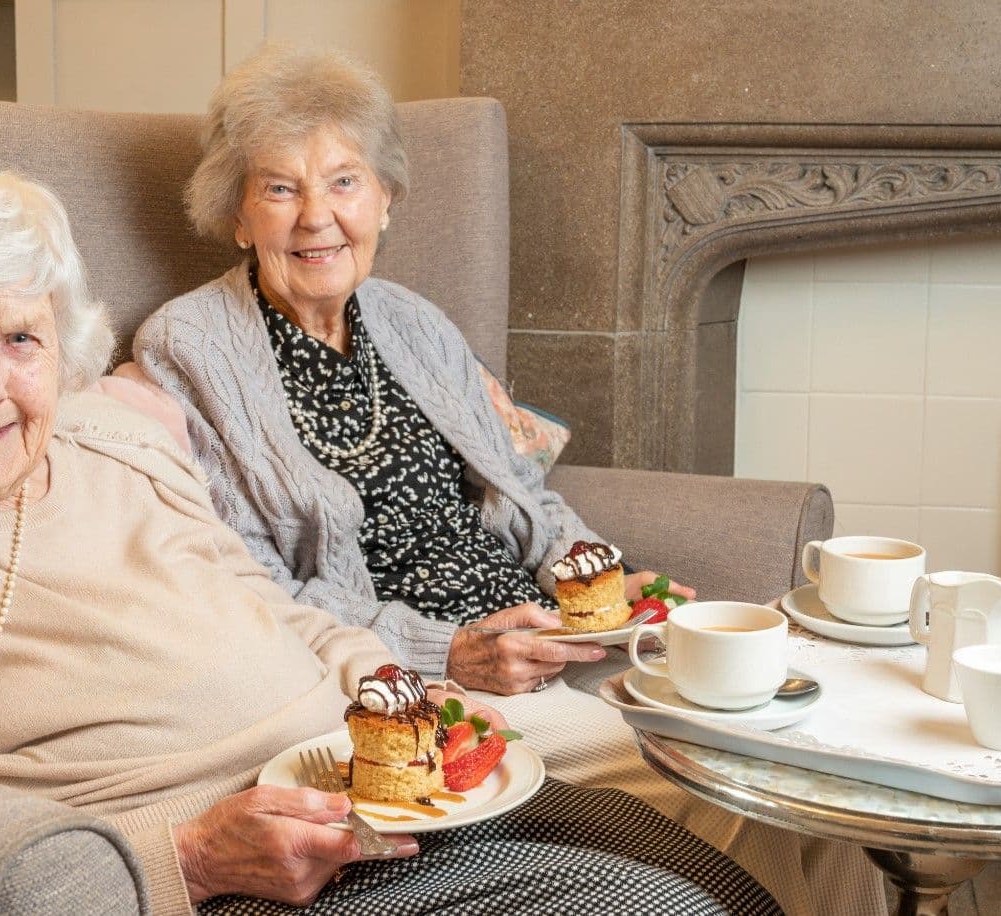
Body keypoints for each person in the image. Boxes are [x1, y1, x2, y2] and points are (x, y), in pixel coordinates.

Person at [0, 156, 781, 916]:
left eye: (22, 338)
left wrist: (385, 679)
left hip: (375, 781)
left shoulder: (114, 445)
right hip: (243, 868)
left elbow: (267, 598)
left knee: (722, 867)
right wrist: (177, 856)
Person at [131, 46, 885, 916]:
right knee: (717, 776)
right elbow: (255, 594)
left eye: (343, 182)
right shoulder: (189, 347)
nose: (316, 218)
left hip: (550, 640)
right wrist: (447, 651)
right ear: (235, 214)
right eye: (278, 188)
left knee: (811, 762)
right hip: (418, 688)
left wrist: (603, 585)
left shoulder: (411, 320)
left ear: (385, 199)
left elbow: (527, 501)